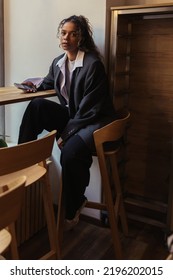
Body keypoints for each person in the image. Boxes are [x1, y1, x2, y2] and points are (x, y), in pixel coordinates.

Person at [18, 15, 116, 229]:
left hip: (94, 121)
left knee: (70, 152)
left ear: (81, 38)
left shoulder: (92, 65)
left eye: (73, 33)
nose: (67, 37)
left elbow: (91, 110)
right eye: (63, 33)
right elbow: (50, 81)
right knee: (37, 106)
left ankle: (75, 203)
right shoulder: (58, 62)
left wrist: (65, 134)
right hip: (76, 117)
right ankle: (22, 158)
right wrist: (34, 86)